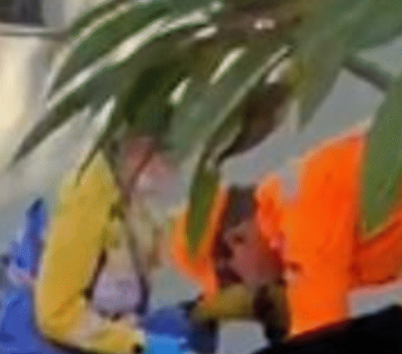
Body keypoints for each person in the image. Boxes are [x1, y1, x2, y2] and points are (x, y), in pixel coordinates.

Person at [0, 126, 211, 354]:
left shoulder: (128, 201)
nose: (173, 169)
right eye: (166, 155)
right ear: (135, 148)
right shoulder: (85, 200)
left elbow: (122, 303)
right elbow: (57, 316)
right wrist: (142, 345)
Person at [170, 128, 402, 341]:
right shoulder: (287, 215)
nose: (251, 287)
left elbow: (319, 338)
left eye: (234, 280)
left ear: (236, 240)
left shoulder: (300, 219)